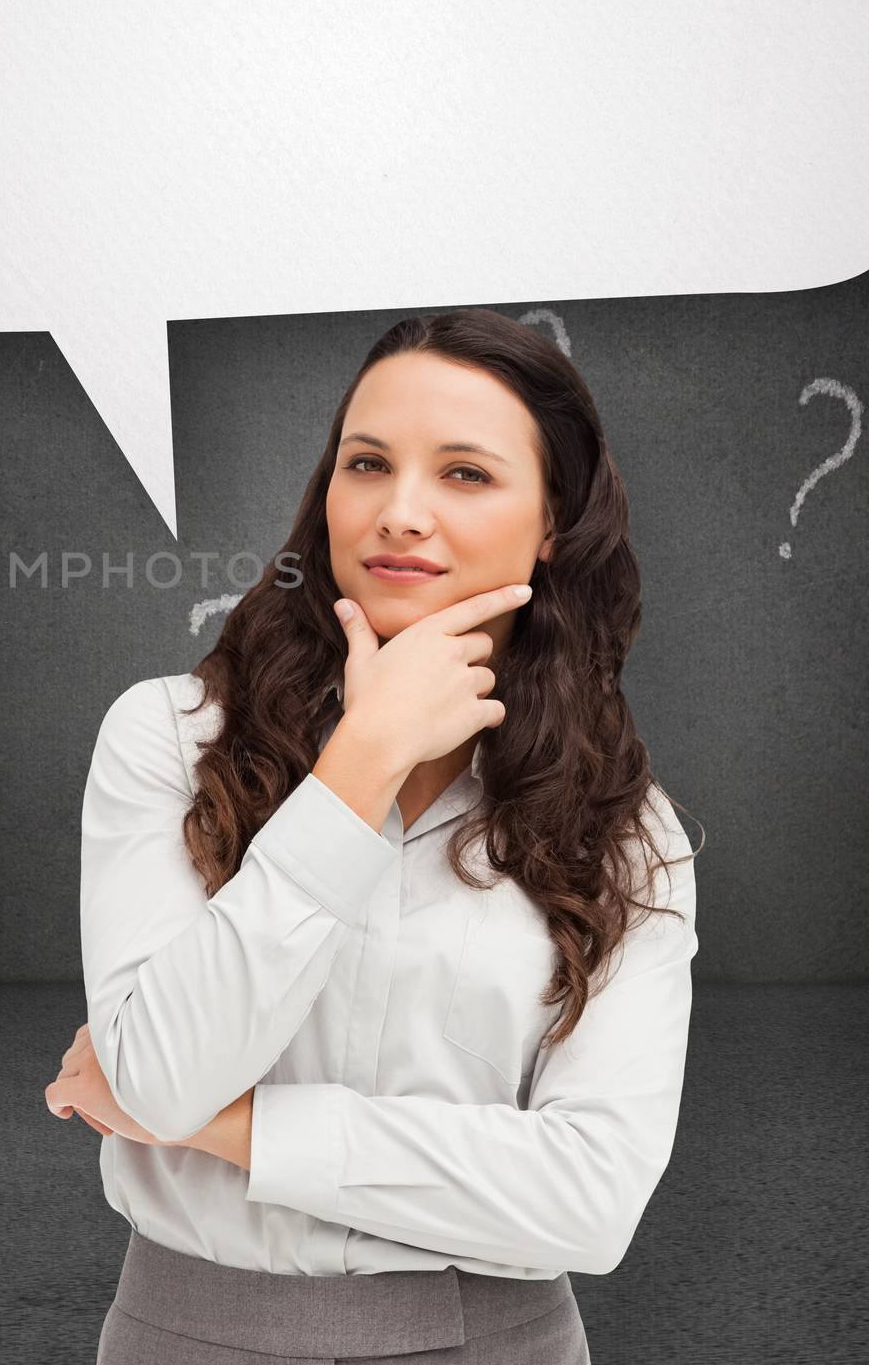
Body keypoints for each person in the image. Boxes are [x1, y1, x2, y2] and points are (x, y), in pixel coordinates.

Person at [43, 308, 703, 1363]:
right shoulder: (167, 739)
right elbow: (161, 1075)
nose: (399, 513)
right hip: (184, 1334)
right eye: (367, 463)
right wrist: (360, 765)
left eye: (464, 474)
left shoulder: (623, 828)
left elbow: (589, 1200)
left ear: (552, 521)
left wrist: (227, 1128)